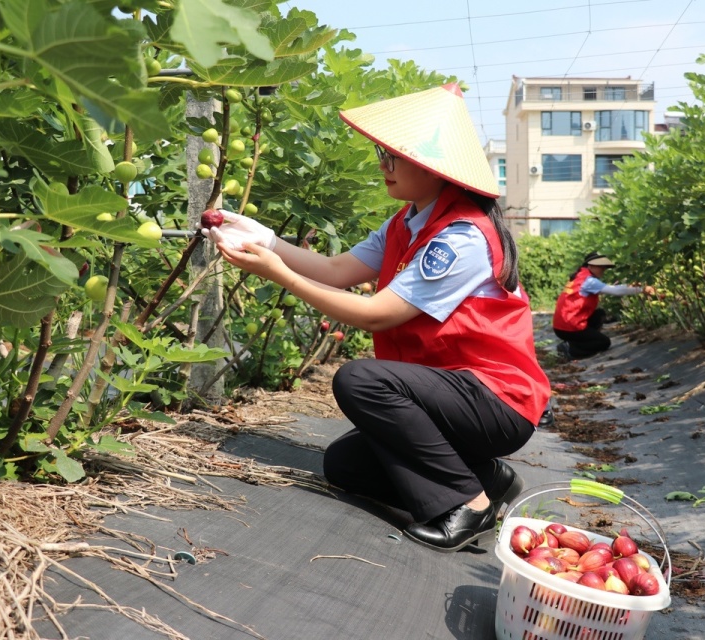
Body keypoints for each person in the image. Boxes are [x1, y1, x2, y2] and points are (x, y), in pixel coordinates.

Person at [203, 84, 551, 553]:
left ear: (433, 166)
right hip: (446, 389)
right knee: (346, 465)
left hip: (496, 399)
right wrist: (263, 238)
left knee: (362, 381)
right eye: (381, 154)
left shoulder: (462, 236)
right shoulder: (405, 224)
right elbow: (335, 270)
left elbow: (377, 315)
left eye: (392, 157)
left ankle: (467, 504)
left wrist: (279, 273)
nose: (382, 166)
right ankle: (487, 479)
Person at [552, 252, 643, 361]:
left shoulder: (581, 277)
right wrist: (642, 289)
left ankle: (576, 341)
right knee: (603, 342)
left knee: (599, 314)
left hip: (563, 325)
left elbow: (611, 289)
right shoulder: (589, 281)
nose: (603, 269)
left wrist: (630, 287)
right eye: (601, 266)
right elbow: (616, 291)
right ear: (590, 266)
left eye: (604, 267)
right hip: (569, 327)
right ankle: (570, 350)